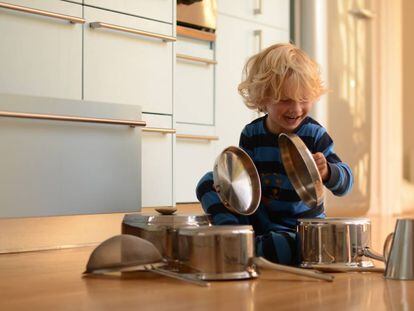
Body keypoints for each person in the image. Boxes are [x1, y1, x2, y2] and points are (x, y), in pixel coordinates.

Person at [196, 43, 353, 265]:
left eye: (303, 99)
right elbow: (245, 186)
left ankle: (245, 248)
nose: (296, 109)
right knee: (208, 181)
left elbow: (346, 184)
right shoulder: (252, 134)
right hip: (259, 221)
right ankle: (231, 234)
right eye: (285, 99)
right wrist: (229, 187)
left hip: (299, 229)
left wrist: (328, 172)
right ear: (263, 99)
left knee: (285, 246)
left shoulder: (315, 135)